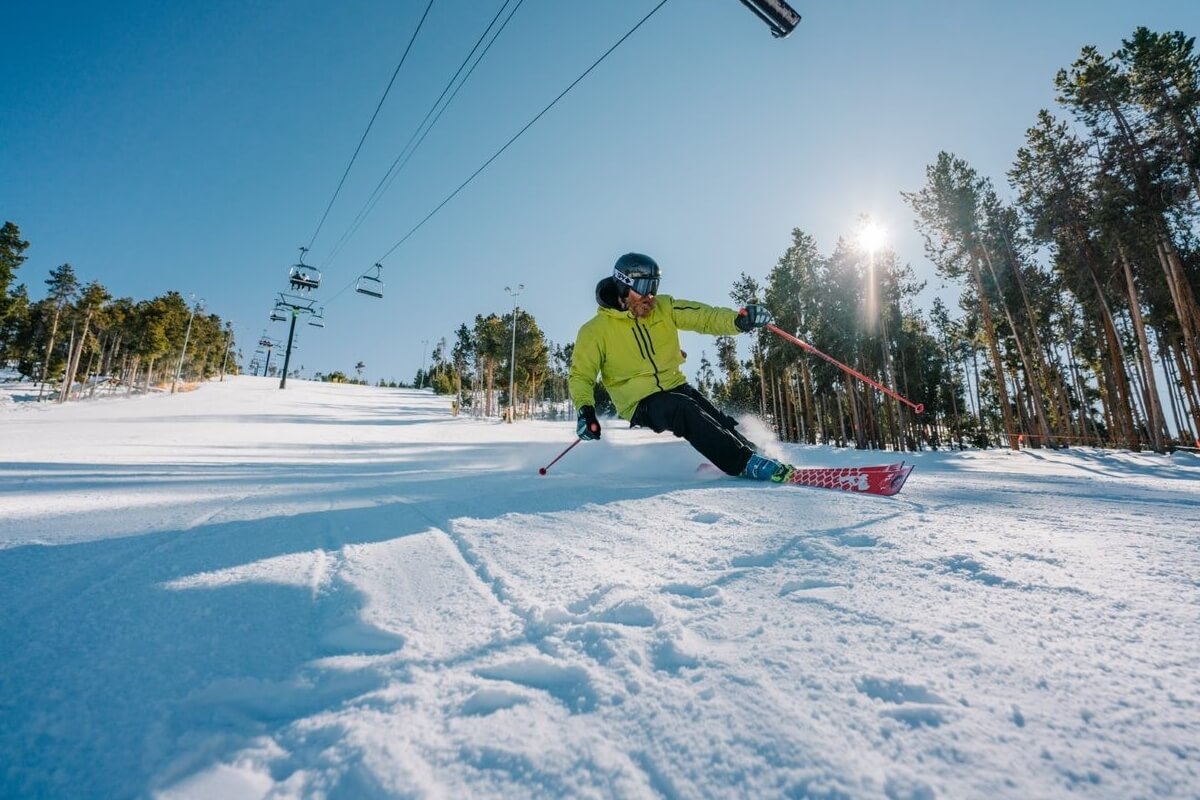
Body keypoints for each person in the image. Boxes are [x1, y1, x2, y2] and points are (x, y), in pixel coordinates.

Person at [569, 252, 794, 482]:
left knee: (716, 418)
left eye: (654, 286)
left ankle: (755, 454)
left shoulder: (665, 307)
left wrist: (739, 321)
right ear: (623, 285)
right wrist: (585, 411)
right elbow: (581, 376)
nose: (650, 295)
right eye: (644, 286)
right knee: (683, 409)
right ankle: (744, 463)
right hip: (640, 402)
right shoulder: (595, 331)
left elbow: (705, 317)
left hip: (676, 385)